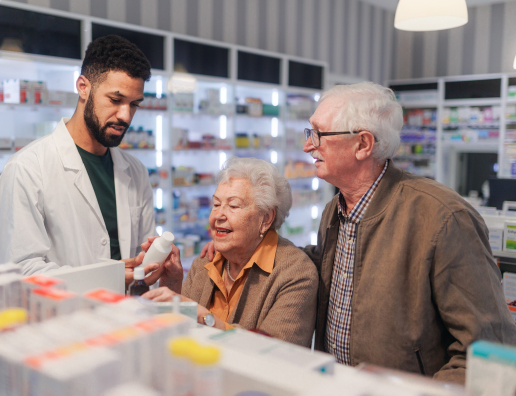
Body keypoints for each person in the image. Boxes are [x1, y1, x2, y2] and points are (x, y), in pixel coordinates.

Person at [203, 82, 516, 383]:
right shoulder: (334, 212)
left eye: (318, 134)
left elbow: (490, 348)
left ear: (363, 144)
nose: (307, 145)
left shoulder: (442, 217)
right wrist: (242, 243)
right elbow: (332, 263)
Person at [0, 35, 163, 284]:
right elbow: (22, 271)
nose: (125, 116)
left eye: (134, 104)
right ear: (83, 87)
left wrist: (160, 262)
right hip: (64, 317)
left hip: (128, 316)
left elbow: (145, 259)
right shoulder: (27, 168)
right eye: (115, 100)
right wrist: (105, 277)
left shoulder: (136, 172)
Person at [142, 157, 318, 347]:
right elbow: (181, 335)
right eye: (216, 204)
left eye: (233, 206)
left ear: (266, 218)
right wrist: (172, 286)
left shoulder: (295, 273)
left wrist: (203, 317)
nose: (218, 215)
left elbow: (276, 353)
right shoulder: (205, 262)